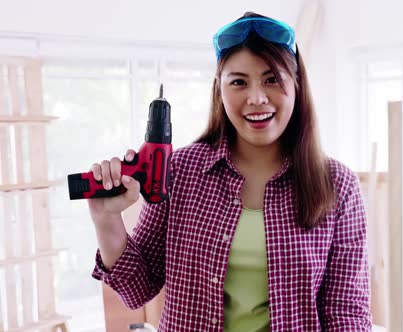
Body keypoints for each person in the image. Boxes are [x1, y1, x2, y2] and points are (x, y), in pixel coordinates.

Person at [89, 11, 371, 331]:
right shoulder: (179, 171)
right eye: (238, 81)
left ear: (297, 85)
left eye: (272, 79)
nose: (256, 98)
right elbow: (137, 290)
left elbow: (347, 312)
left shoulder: (337, 185)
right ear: (219, 89)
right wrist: (106, 219)